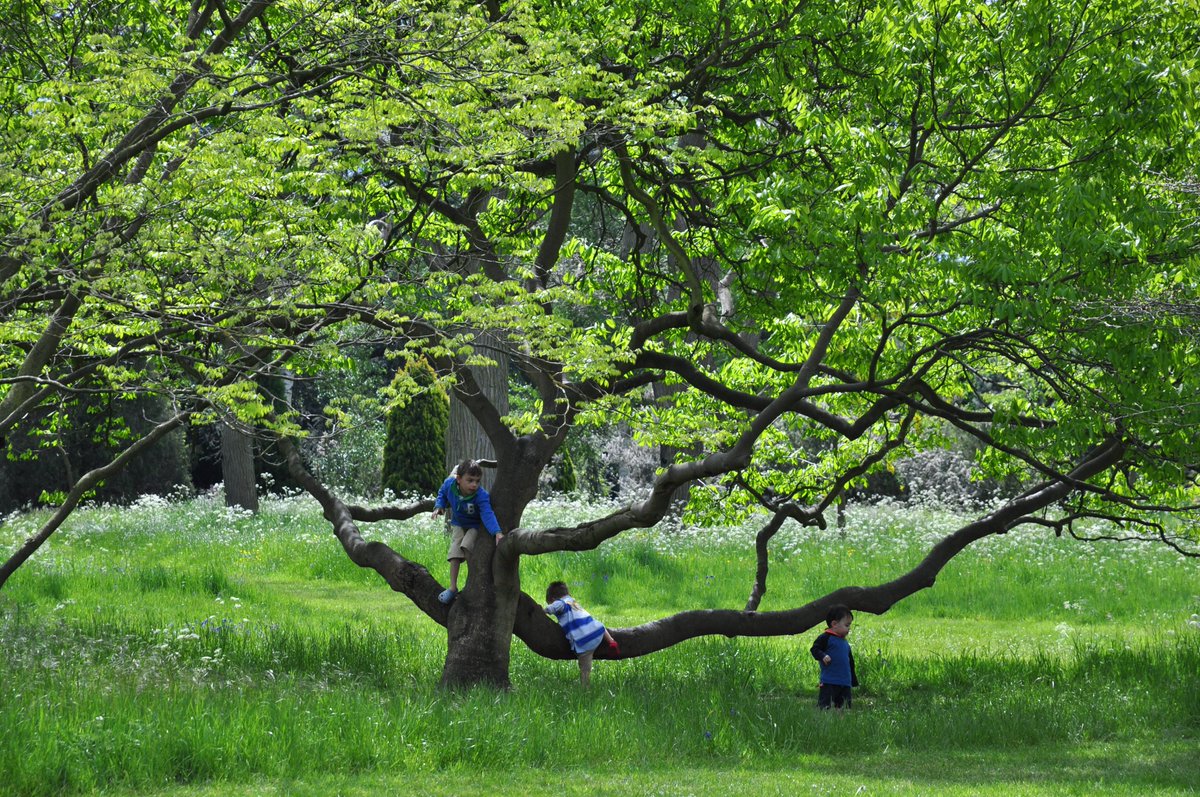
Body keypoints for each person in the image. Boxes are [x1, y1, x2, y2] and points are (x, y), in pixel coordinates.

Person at [431, 459, 504, 604]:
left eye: (477, 481)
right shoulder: (449, 485)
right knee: (454, 552)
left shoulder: (481, 495)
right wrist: (438, 506)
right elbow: (442, 494)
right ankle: (452, 587)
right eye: (470, 480)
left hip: (474, 526)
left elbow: (487, 513)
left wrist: (497, 532)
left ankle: (473, 583)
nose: (474, 485)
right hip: (458, 524)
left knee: (466, 545)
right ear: (458, 479)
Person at [543, 581, 620, 687]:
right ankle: (611, 641)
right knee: (600, 626)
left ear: (552, 599)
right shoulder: (572, 601)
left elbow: (553, 607)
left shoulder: (560, 603)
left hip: (585, 641)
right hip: (597, 632)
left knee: (585, 669)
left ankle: (585, 689)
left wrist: (544, 610)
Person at [809, 604, 858, 709]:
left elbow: (850, 663)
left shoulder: (845, 643)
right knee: (825, 706)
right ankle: (824, 720)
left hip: (845, 682)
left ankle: (841, 723)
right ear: (834, 624)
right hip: (829, 681)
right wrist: (823, 656)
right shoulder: (825, 638)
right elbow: (815, 649)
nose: (849, 629)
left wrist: (852, 680)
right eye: (847, 625)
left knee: (844, 708)